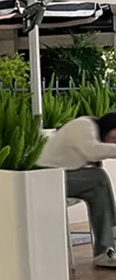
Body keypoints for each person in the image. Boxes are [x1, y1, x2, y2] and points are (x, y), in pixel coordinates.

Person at [39, 112, 116, 268]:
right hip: (44, 178)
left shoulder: (92, 131)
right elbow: (93, 150)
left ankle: (106, 250)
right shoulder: (83, 125)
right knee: (98, 178)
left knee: (98, 189)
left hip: (61, 177)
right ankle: (110, 240)